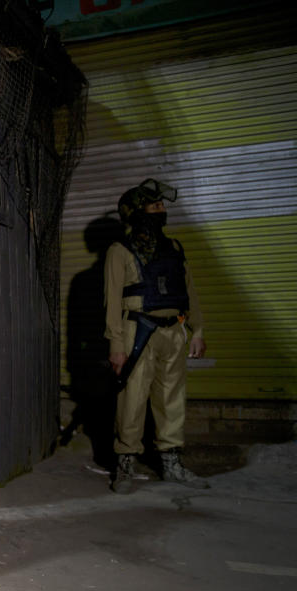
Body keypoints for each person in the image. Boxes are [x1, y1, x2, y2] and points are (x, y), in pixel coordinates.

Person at [105, 179, 209, 493]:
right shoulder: (119, 251)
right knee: (132, 401)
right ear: (136, 212)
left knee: (172, 401)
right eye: (154, 206)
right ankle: (125, 463)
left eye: (162, 206)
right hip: (138, 331)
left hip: (173, 331)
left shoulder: (174, 248)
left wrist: (197, 330)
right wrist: (116, 344)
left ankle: (171, 463)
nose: (161, 210)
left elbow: (189, 292)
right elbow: (111, 301)